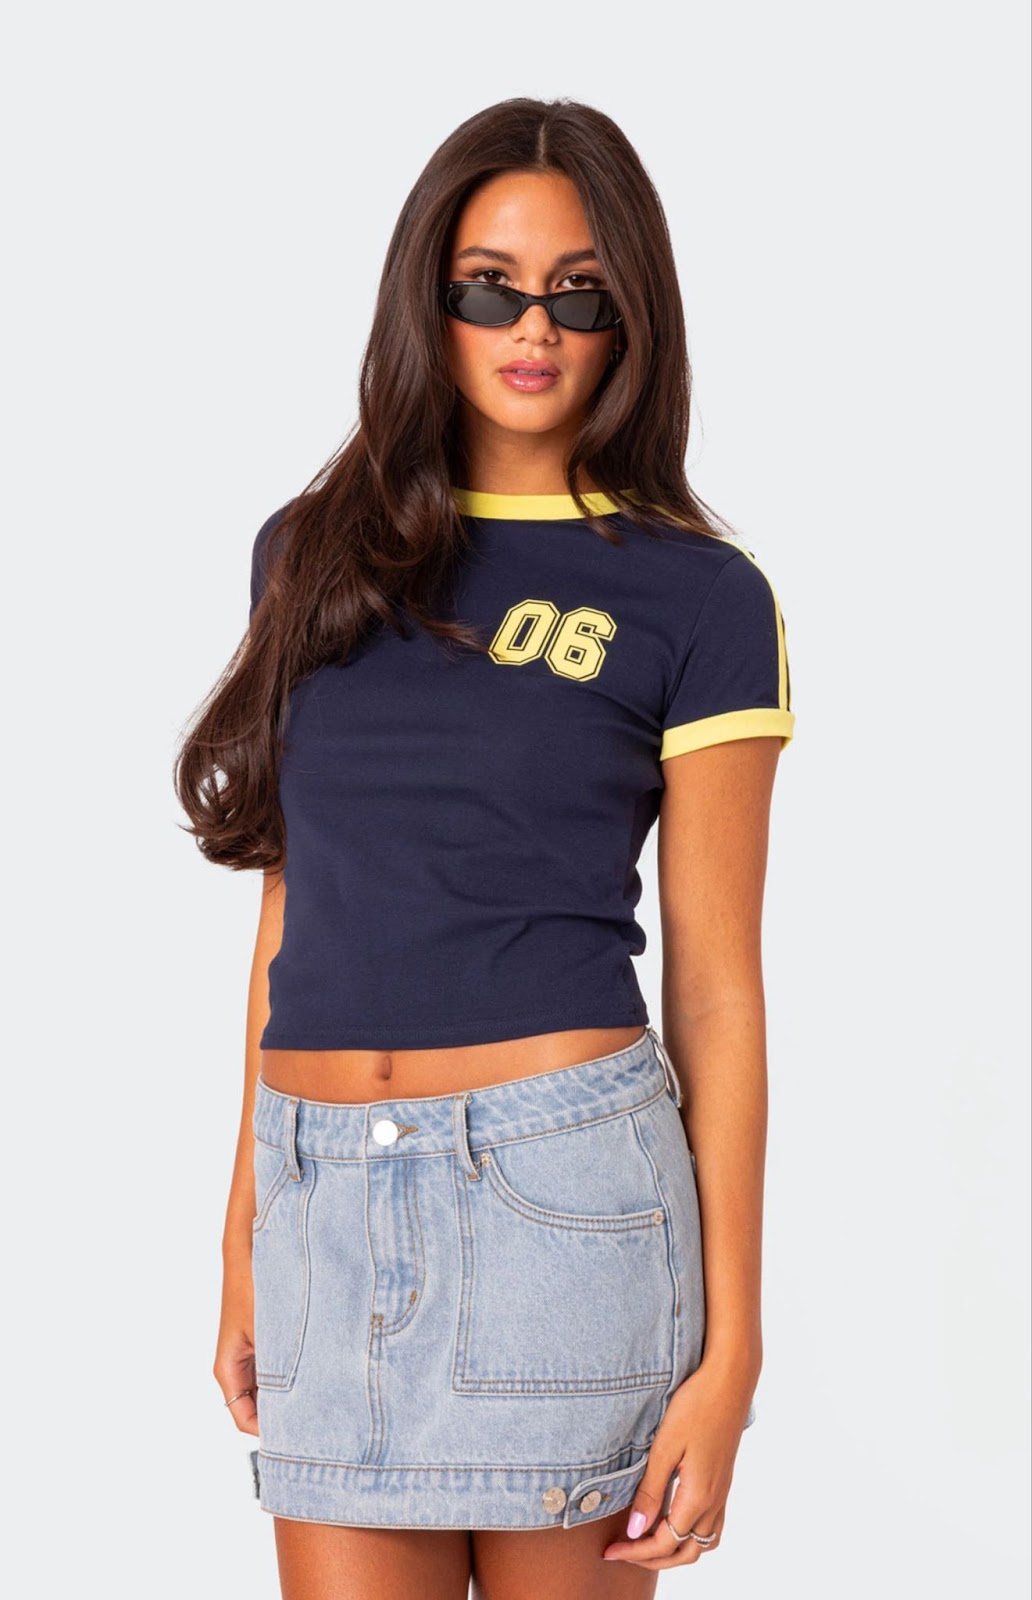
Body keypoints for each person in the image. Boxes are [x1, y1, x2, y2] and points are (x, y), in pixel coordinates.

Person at [174, 96, 795, 1600]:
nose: (535, 326)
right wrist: (245, 1228)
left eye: (580, 291)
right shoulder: (306, 557)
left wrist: (732, 1357)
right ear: (429, 303)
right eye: (491, 286)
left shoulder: (699, 598)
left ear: (631, 317)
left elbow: (718, 988)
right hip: (320, 1196)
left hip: (562, 1204)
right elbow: (290, 914)